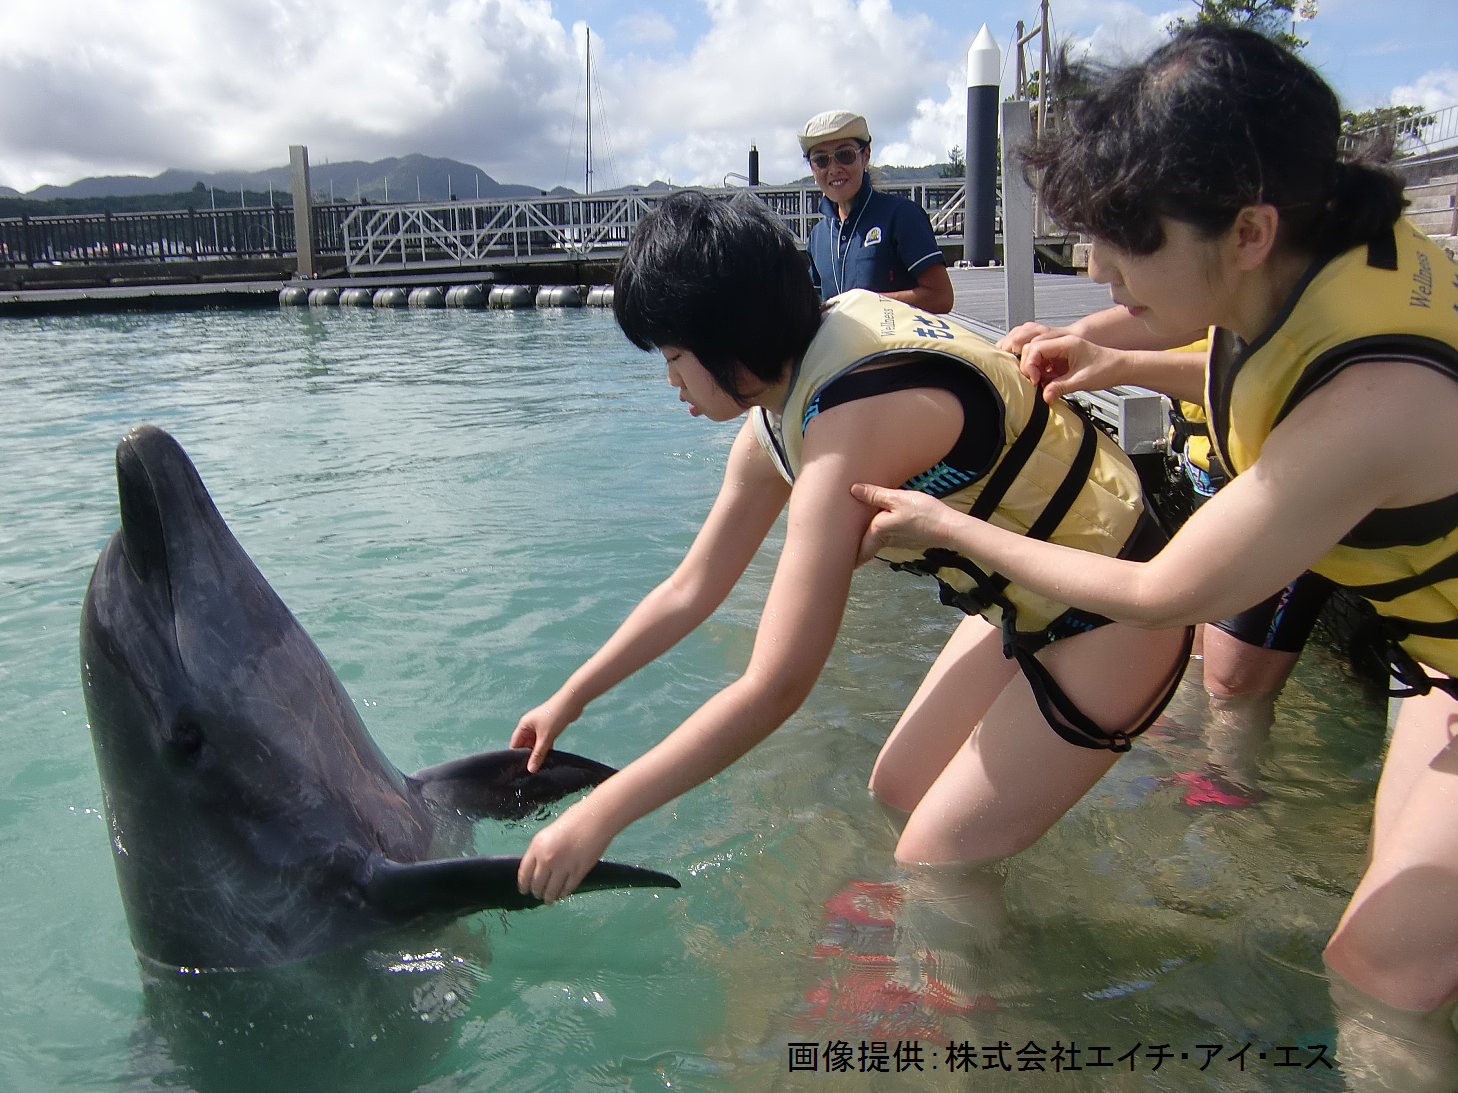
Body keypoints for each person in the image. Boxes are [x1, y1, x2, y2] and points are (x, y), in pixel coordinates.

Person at [849, 25, 1458, 1087]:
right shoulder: (1317, 250)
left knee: (1385, 967)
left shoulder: (1379, 399)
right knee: (1392, 947)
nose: (1095, 266)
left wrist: (945, 526)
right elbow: (1255, 367)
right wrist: (1113, 354)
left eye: (1127, 236)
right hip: (1438, 651)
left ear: (1252, 227)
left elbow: (1164, 588)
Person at [510, 190, 1189, 913]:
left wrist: (602, 812)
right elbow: (692, 587)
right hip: (1029, 592)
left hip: (1115, 607)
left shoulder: (848, 423)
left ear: (730, 339)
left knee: (935, 860)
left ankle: (975, 1000)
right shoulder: (784, 408)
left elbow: (775, 686)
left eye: (676, 355)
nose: (670, 378)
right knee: (898, 791)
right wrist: (568, 700)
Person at [1000, 309, 1335, 806]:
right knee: (1197, 651)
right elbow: (1181, 313)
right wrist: (1076, 335)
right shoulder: (1218, 277)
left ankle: (1231, 780)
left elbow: (1277, 373)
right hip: (1216, 475)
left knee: (1233, 679)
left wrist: (1118, 364)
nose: (1099, 272)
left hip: (1283, 485)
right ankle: (1204, 759)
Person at [799, 110, 955, 314]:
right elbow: (815, 309)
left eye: (844, 155)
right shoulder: (818, 236)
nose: (834, 168)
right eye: (821, 160)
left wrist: (861, 304)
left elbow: (941, 297)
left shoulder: (902, 215)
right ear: (812, 168)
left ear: (866, 156)